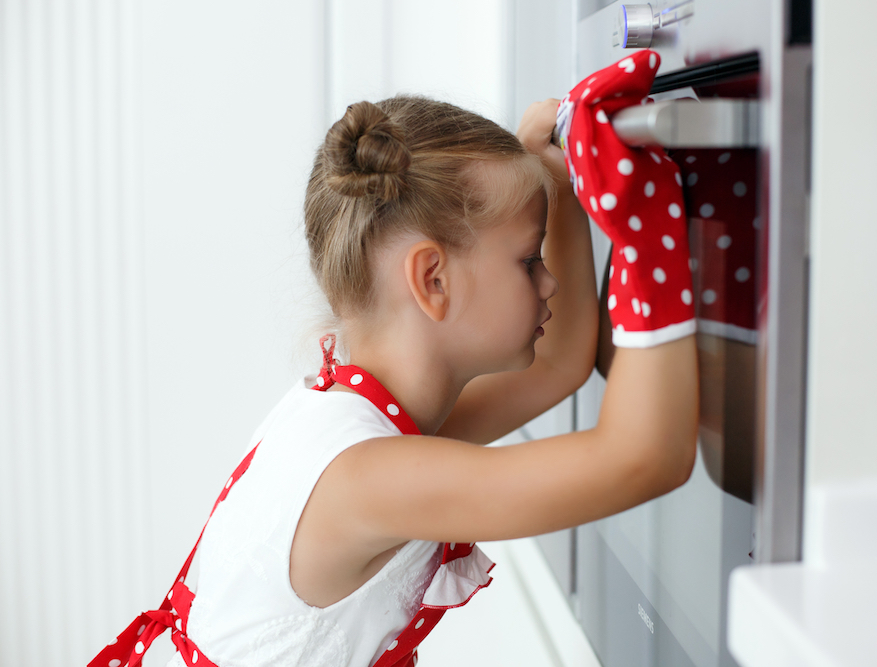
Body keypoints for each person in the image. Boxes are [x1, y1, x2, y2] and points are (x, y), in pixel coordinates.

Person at [91, 49, 698, 667]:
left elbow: (559, 364)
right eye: (527, 260)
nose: (550, 284)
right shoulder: (366, 478)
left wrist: (556, 182)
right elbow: (646, 458)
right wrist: (648, 224)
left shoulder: (361, 423)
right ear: (432, 280)